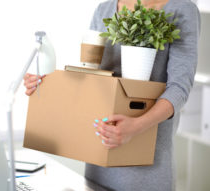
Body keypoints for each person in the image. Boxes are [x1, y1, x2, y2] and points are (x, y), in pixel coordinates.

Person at [23, 0, 200, 190]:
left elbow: (179, 88)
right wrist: (47, 85)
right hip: (99, 156)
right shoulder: (104, 9)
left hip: (146, 165)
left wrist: (136, 126)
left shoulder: (181, 9)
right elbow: (93, 78)